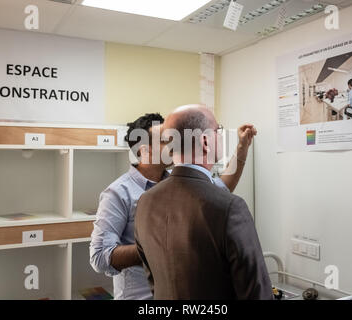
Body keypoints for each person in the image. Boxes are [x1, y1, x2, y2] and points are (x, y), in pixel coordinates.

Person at [90, 112, 255, 299]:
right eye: (165, 139)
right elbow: (100, 257)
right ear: (145, 151)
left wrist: (242, 148)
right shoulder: (118, 193)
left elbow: (221, 190)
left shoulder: (180, 182)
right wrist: (154, 246)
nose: (173, 143)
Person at [134, 105, 273, 300]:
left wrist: (242, 148)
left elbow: (154, 282)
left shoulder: (145, 201)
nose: (220, 136)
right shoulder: (231, 208)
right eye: (218, 131)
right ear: (205, 141)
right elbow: (257, 294)